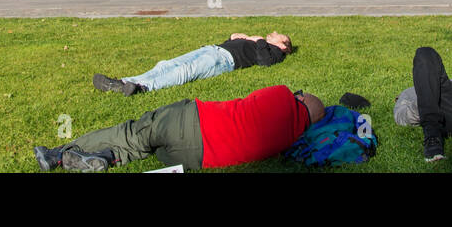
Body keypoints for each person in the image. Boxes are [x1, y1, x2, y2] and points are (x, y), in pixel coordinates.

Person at [34, 84, 325, 172]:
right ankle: (105, 159)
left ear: (300, 100)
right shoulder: (288, 140)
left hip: (192, 121)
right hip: (191, 159)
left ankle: (59, 153)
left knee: (132, 133)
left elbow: (255, 98)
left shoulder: (282, 96)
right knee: (140, 149)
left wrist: (295, 96)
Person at [92, 31, 294, 95]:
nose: (273, 33)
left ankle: (142, 87)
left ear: (284, 46)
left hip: (223, 60)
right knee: (166, 64)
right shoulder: (262, 43)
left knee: (185, 71)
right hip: (213, 49)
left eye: (278, 35)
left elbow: (265, 62)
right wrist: (233, 37)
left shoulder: (275, 52)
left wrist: (257, 39)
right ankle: (123, 83)